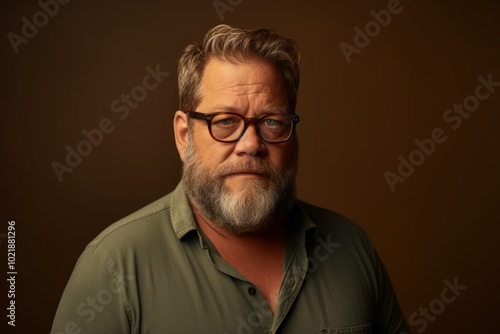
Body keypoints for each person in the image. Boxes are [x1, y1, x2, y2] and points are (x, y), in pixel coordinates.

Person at [51, 24, 409, 334]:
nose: (251, 144)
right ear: (183, 134)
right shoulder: (112, 268)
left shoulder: (352, 248)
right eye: (225, 122)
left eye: (271, 121)